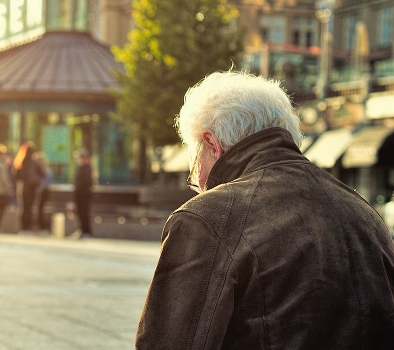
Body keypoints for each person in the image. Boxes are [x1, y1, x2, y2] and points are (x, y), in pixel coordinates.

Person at [135, 71, 394, 349]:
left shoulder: (208, 218)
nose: (198, 182)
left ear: (211, 144)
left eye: (195, 161)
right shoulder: (366, 214)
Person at [13, 142, 45, 236]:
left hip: (23, 188)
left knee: (24, 208)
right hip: (31, 188)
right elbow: (42, 174)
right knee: (29, 208)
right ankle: (28, 228)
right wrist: (36, 181)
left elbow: (15, 176)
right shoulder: (33, 162)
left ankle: (24, 228)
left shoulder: (20, 162)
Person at [70, 148, 93, 239]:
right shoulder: (81, 168)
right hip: (80, 195)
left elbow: (85, 184)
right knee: (80, 213)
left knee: (83, 213)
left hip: (83, 195)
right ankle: (82, 230)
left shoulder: (86, 168)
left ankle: (85, 231)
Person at [34, 152, 52, 232]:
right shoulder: (46, 170)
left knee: (40, 208)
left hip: (43, 191)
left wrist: (38, 190)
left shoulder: (45, 171)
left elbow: (45, 183)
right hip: (44, 191)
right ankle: (40, 226)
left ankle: (42, 226)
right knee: (40, 208)